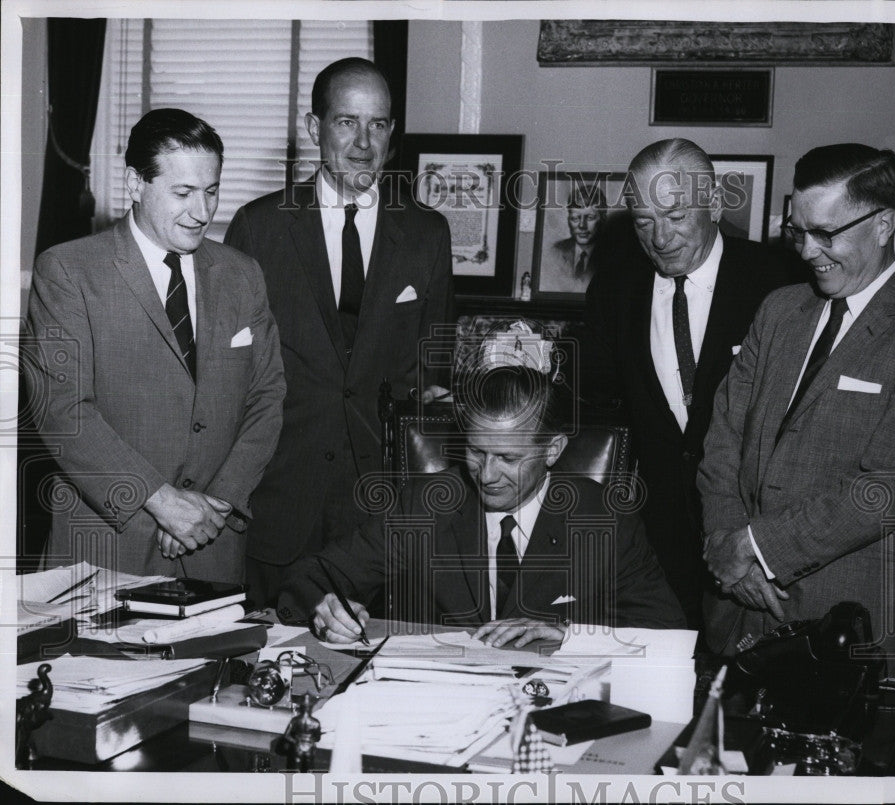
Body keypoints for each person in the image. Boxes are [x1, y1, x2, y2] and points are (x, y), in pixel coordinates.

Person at [698, 143, 895, 656]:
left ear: (884, 224)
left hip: (840, 626)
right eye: (798, 230)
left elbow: (881, 492)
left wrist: (751, 548)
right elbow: (723, 439)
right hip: (736, 615)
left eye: (825, 233)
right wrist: (726, 546)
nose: (805, 251)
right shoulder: (779, 310)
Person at [225, 58, 455, 606]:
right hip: (281, 500)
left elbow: (434, 368)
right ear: (314, 129)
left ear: (392, 134)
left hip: (382, 512)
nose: (362, 143)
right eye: (346, 122)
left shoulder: (426, 234)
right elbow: (228, 373)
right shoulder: (259, 227)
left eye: (377, 124)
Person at [24, 108, 285, 582]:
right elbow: (63, 411)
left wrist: (217, 505)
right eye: (182, 192)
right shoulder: (67, 271)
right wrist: (162, 502)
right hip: (104, 549)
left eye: (211, 191)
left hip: (213, 545)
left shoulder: (242, 275)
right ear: (135, 183)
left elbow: (266, 398)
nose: (203, 212)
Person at [278, 364, 685, 647]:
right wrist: (325, 607)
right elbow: (312, 576)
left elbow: (667, 632)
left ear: (553, 449)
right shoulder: (427, 506)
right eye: (475, 451)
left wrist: (570, 637)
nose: (486, 475)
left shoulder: (604, 519)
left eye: (508, 458)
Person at [584, 138, 799, 628]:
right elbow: (593, 406)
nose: (660, 238)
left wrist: (758, 545)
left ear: (716, 204)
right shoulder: (614, 288)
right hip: (651, 553)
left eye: (677, 216)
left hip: (755, 547)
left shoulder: (779, 283)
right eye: (643, 221)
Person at [540, 185, 607, 294]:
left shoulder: (613, 255)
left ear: (603, 219)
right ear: (568, 219)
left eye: (589, 218)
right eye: (575, 218)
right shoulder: (556, 252)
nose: (582, 225)